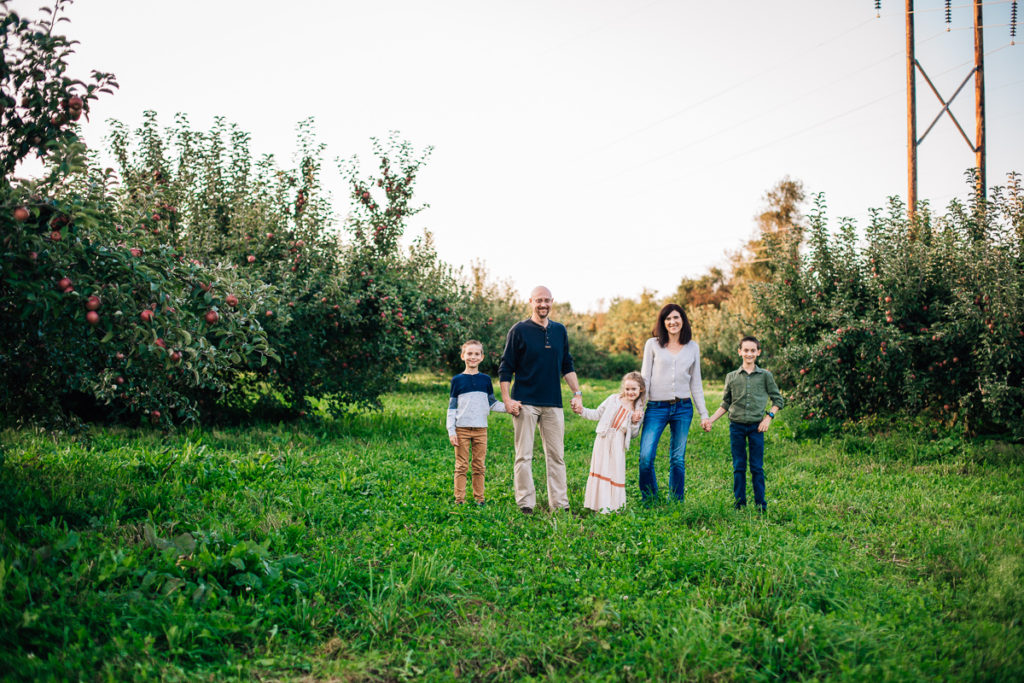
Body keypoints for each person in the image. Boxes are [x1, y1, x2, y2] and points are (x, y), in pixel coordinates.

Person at [499, 286, 583, 514]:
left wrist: (577, 393)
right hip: (524, 402)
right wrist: (507, 400)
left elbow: (567, 365)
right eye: (538, 300)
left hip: (553, 402)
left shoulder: (560, 330)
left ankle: (560, 504)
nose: (543, 304)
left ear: (552, 302)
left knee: (557, 455)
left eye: (546, 300)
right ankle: (526, 503)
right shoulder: (519, 330)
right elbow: (506, 368)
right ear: (530, 302)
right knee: (523, 455)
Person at [638, 303, 711, 503]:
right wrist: (638, 408)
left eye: (676, 318)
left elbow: (696, 383)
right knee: (646, 458)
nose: (672, 322)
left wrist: (704, 414)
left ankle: (676, 501)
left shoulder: (692, 347)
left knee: (677, 459)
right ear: (663, 322)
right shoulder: (652, 344)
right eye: (668, 318)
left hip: (683, 408)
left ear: (683, 321)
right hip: (656, 408)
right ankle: (650, 499)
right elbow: (645, 378)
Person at [706, 335, 785, 512]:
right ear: (740, 352)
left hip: (757, 427)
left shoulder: (765, 376)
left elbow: (778, 400)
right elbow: (726, 403)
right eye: (746, 350)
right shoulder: (732, 377)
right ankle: (739, 504)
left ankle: (760, 505)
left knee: (757, 467)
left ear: (758, 352)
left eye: (753, 350)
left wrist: (768, 418)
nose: (749, 353)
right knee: (739, 466)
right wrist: (710, 420)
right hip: (737, 427)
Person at [446, 340, 506, 506]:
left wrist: (510, 407)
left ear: (482, 357)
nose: (473, 357)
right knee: (461, 466)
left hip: (481, 430)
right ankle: (459, 499)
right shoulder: (457, 380)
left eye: (476, 354)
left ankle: (479, 499)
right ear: (462, 356)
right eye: (469, 353)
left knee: (479, 466)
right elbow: (452, 408)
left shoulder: (486, 380)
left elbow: (492, 403)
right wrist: (451, 431)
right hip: (461, 429)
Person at [579, 372, 645, 514]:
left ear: (641, 389)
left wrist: (634, 422)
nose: (630, 392)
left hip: (617, 443)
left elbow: (633, 434)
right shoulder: (613, 399)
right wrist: (581, 410)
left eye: (634, 389)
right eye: (627, 389)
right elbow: (597, 414)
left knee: (614, 471)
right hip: (603, 439)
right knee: (601, 468)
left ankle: (612, 507)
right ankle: (597, 505)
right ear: (623, 389)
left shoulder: (638, 411)